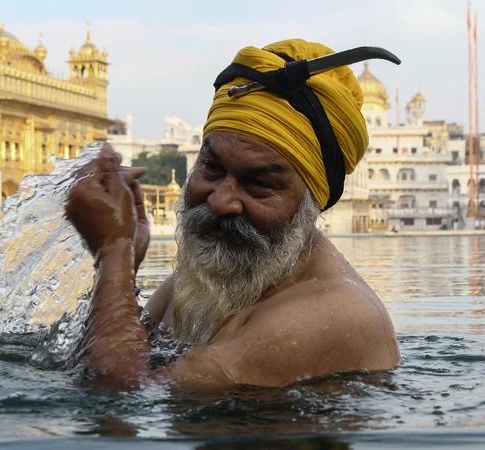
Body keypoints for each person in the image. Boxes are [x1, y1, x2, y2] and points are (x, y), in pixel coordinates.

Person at [65, 39, 400, 391]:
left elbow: (121, 391)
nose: (222, 202)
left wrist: (113, 252)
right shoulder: (203, 284)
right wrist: (125, 261)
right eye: (212, 168)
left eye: (258, 184)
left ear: (313, 203)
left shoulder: (329, 315)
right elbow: (104, 355)